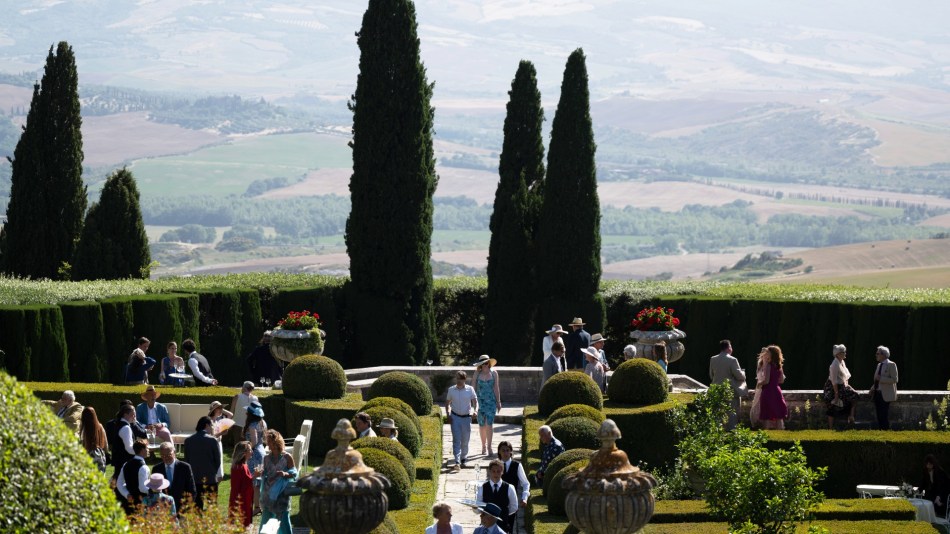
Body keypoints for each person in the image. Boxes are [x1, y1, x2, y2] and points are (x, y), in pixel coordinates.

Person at [258, 429, 297, 534]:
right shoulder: (266, 458)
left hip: (282, 493)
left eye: (269, 441)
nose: (268, 444)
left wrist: (284, 474)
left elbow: (294, 473)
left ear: (276, 442)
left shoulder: (287, 457)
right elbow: (265, 473)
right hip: (269, 493)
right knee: (266, 520)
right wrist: (262, 473)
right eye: (267, 441)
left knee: (283, 520)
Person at [184, 416, 222, 510]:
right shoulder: (212, 440)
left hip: (195, 478)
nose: (212, 428)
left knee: (197, 507)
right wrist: (212, 471)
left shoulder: (188, 440)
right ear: (206, 425)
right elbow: (217, 460)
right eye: (212, 425)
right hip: (210, 478)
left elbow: (187, 460)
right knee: (211, 507)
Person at [708, 339, 747, 430]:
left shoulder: (713, 359)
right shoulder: (732, 360)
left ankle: (717, 432)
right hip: (730, 391)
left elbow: (711, 375)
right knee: (731, 414)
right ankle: (731, 433)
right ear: (729, 348)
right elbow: (739, 376)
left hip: (716, 390)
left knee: (717, 414)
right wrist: (743, 373)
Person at [152, 441, 196, 515]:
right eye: (163, 455)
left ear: (174, 453)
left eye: (168, 455)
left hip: (182, 510)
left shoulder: (185, 467)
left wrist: (186, 508)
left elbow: (192, 490)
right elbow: (153, 491)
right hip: (163, 511)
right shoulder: (157, 469)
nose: (166, 458)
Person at [445, 370, 477, 470]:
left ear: (464, 379)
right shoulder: (451, 390)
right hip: (455, 417)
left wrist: (475, 411)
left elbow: (475, 401)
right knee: (456, 439)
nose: (459, 381)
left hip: (466, 418)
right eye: (458, 378)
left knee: (465, 440)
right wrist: (448, 415)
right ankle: (457, 461)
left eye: (461, 379)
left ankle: (464, 458)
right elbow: (447, 403)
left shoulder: (470, 389)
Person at [477, 459, 519, 534]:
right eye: (493, 471)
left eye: (498, 471)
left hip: (503, 525)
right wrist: (476, 509)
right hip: (486, 526)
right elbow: (479, 506)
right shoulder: (482, 487)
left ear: (502, 472)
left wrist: (503, 514)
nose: (496, 474)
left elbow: (514, 507)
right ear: (489, 472)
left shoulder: (509, 488)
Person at [824, 344, 858, 428]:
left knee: (854, 396)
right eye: (843, 352)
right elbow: (834, 381)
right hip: (833, 387)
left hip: (841, 385)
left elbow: (845, 376)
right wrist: (836, 394)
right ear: (838, 354)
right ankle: (831, 428)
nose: (845, 353)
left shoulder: (842, 362)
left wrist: (847, 386)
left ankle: (851, 417)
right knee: (832, 405)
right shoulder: (834, 365)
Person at [473, 354, 502, 457]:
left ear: (489, 363)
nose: (485, 365)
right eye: (483, 363)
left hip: (491, 402)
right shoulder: (477, 373)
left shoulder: (494, 373)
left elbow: (496, 388)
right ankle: (483, 446)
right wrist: (473, 403)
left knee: (489, 424)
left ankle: (489, 447)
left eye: (486, 363)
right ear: (480, 365)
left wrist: (498, 402)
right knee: (482, 425)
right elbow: (473, 388)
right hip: (480, 402)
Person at [754, 345, 788, 430]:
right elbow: (781, 380)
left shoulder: (768, 365)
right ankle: (780, 433)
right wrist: (774, 380)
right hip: (776, 391)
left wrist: (759, 383)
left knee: (767, 413)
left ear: (772, 354)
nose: (766, 354)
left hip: (768, 391)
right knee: (778, 413)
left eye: (768, 352)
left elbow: (766, 381)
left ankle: (766, 434)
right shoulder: (779, 366)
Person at [117, 439, 150, 514]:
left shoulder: (126, 464)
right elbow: (142, 488)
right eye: (147, 448)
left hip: (128, 503)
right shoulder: (144, 467)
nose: (148, 450)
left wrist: (126, 494)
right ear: (142, 450)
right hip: (141, 503)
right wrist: (153, 490)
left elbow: (119, 483)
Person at [870, 345, 899, 430]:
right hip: (877, 393)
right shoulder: (879, 365)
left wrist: (881, 379)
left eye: (878, 353)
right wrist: (872, 388)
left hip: (886, 394)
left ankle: (885, 431)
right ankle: (881, 431)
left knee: (883, 414)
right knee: (879, 414)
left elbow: (895, 379)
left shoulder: (891, 364)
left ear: (883, 355)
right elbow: (876, 380)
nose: (876, 355)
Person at [111, 404, 142, 482]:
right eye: (133, 415)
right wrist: (141, 451)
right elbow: (129, 449)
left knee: (116, 480)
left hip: (119, 459)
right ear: (125, 415)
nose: (135, 417)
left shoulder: (118, 424)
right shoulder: (126, 428)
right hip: (124, 461)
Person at [229, 441, 255, 530]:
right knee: (241, 521)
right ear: (244, 453)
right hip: (242, 498)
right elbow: (246, 482)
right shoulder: (242, 466)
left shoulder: (237, 465)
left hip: (236, 496)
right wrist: (255, 475)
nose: (252, 452)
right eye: (250, 450)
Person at [497, 441, 529, 511]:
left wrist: (524, 498)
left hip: (512, 501)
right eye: (503, 450)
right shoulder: (495, 465)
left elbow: (525, 483)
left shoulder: (517, 465)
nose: (505, 453)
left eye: (507, 450)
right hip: (498, 501)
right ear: (499, 451)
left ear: (511, 451)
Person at [79, 406, 109, 473]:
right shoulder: (100, 426)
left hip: (87, 454)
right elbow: (106, 444)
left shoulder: (83, 428)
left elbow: (81, 442)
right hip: (99, 454)